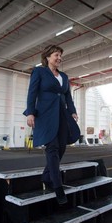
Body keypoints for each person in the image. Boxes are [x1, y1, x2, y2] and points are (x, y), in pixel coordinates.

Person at [23, 44, 80, 205]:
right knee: (52, 147)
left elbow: (68, 96)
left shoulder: (64, 76)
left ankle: (47, 176)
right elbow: (32, 93)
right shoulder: (39, 72)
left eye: (61, 55)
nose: (59, 58)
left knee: (61, 147)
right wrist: (30, 112)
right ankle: (58, 186)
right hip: (45, 115)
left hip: (62, 115)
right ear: (47, 57)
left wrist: (72, 111)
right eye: (56, 55)